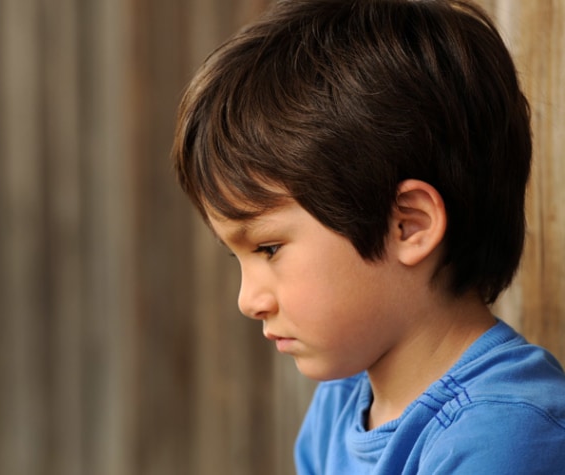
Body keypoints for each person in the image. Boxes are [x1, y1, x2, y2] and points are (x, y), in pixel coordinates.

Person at [171, 0, 565, 473]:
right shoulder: (340, 403)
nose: (248, 300)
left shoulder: (504, 436)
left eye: (269, 248)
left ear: (408, 225)